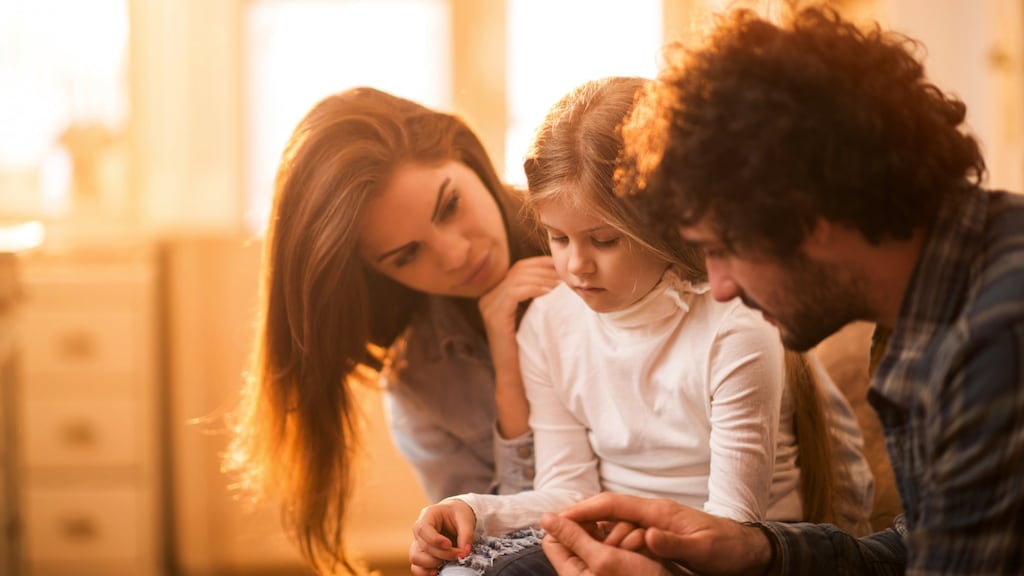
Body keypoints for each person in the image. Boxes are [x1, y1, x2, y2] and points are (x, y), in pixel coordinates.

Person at [540, 6, 1024, 575]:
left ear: (807, 218)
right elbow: (921, 546)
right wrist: (761, 550)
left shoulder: (992, 341)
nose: (718, 287)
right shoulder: (926, 309)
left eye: (722, 247)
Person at [410, 77, 873, 576]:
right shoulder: (548, 322)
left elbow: (733, 530)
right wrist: (476, 510)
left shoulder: (737, 326)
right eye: (558, 238)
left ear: (666, 223)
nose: (576, 266)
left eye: (604, 240)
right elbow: (569, 490)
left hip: (716, 552)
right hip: (613, 545)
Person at [224, 87, 561, 573]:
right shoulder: (420, 384)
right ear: (377, 274)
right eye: (406, 255)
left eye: (449, 206)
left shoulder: (600, 239)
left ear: (466, 155)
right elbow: (504, 542)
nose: (455, 254)